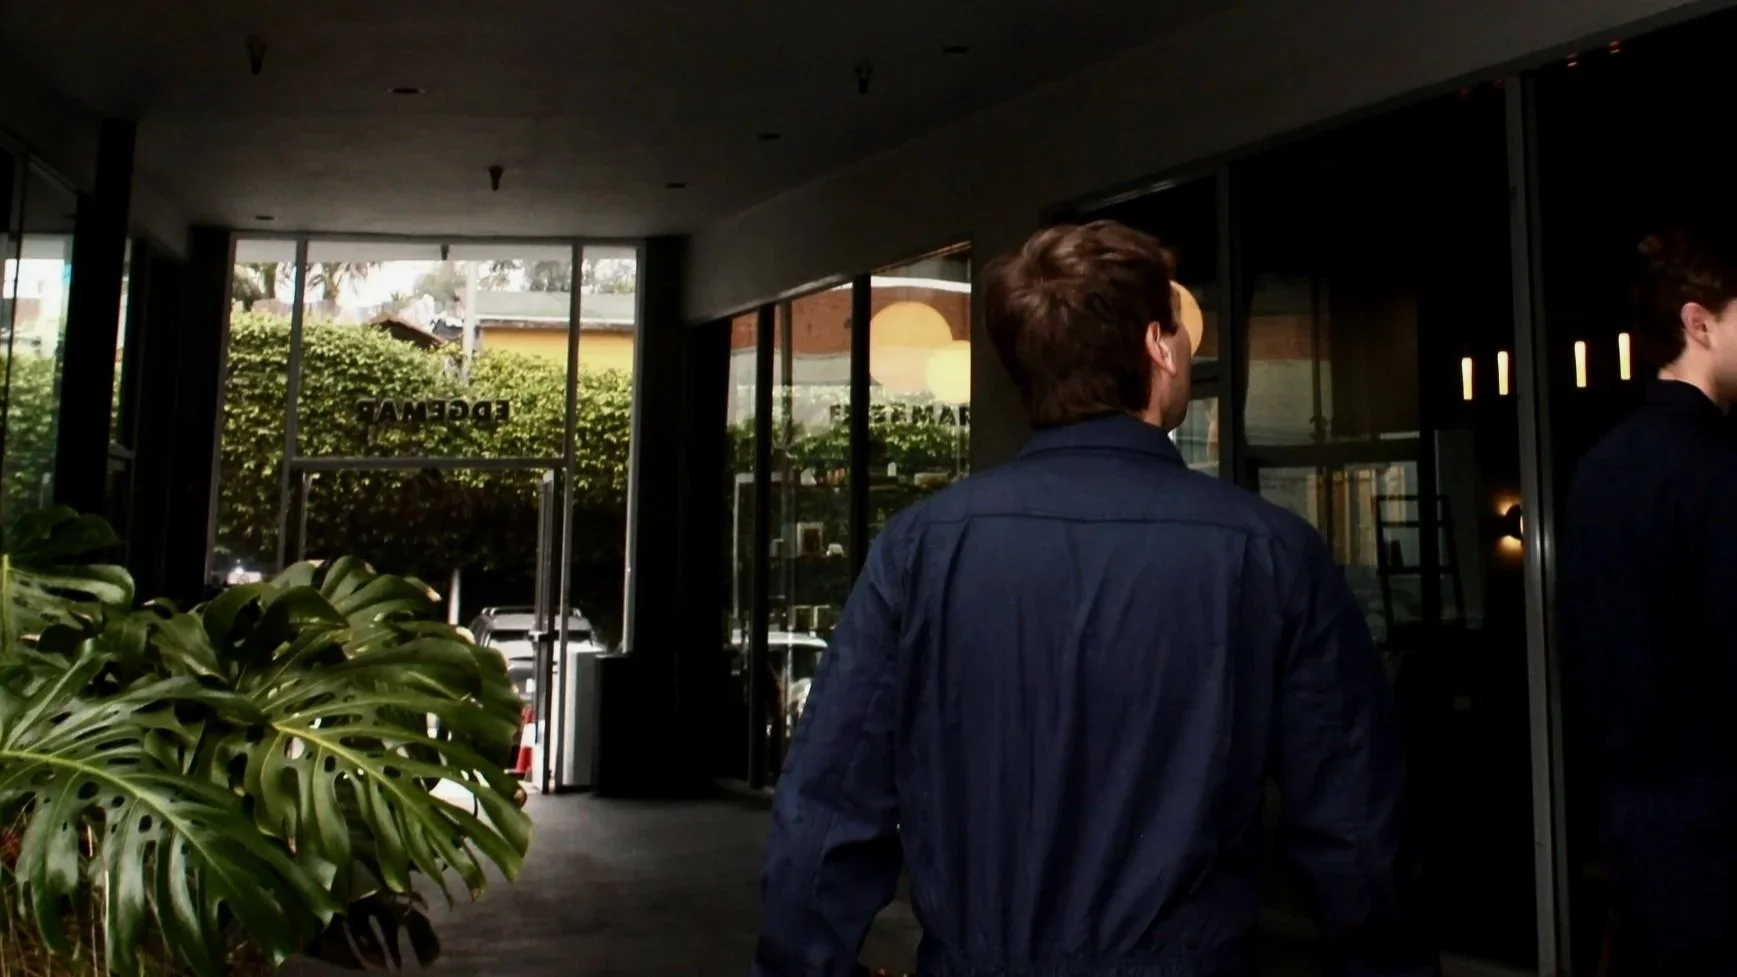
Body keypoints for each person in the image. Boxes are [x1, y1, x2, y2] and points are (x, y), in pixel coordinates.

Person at [753, 221, 1436, 977]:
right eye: (1179, 328)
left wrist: (798, 964)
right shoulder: (1266, 550)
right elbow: (1354, 829)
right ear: (1157, 346)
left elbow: (826, 810)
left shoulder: (920, 549)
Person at [1560, 227, 1737, 975]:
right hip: (1722, 836)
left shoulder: (1599, 466)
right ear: (1698, 323)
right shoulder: (1715, 469)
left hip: (1632, 829)